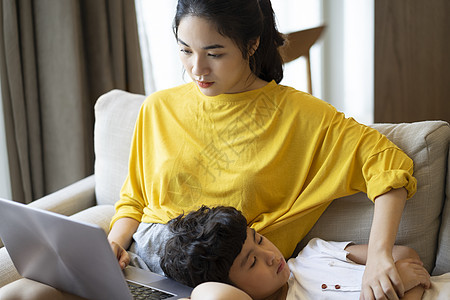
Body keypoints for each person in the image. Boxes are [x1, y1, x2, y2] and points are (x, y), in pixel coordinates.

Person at [107, 1, 418, 299]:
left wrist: (379, 255)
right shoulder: (158, 108)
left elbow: (387, 164)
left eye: (214, 53)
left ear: (252, 44)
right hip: (138, 269)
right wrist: (113, 245)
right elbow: (134, 198)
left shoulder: (300, 115)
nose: (197, 68)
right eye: (185, 51)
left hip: (222, 286)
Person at [160, 205, 449, 300]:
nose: (271, 256)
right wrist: (400, 283)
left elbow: (406, 254)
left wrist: (400, 279)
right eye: (251, 262)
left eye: (259, 240)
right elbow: (211, 296)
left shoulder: (314, 253)